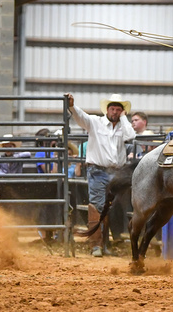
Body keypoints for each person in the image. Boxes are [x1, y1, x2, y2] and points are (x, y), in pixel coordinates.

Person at [67, 93, 136, 257]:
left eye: (119, 109)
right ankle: (96, 246)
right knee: (97, 206)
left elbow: (131, 136)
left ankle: (104, 244)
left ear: (122, 112)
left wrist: (124, 118)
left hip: (116, 173)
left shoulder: (123, 126)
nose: (115, 112)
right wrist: (71, 105)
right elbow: (80, 116)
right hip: (98, 171)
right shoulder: (95, 122)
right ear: (107, 109)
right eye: (112, 109)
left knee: (110, 208)